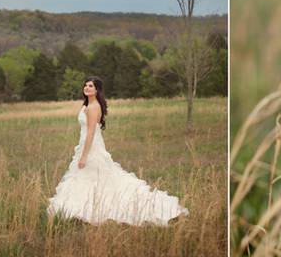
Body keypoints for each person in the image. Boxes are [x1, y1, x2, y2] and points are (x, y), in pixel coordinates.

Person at [46, 76, 188, 225]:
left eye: (91, 86)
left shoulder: (93, 107)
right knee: (88, 178)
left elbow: (91, 133)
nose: (87, 88)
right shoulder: (88, 105)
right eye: (85, 85)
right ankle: (78, 209)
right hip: (85, 145)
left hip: (91, 147)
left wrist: (84, 156)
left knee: (94, 177)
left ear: (97, 90)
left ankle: (92, 208)